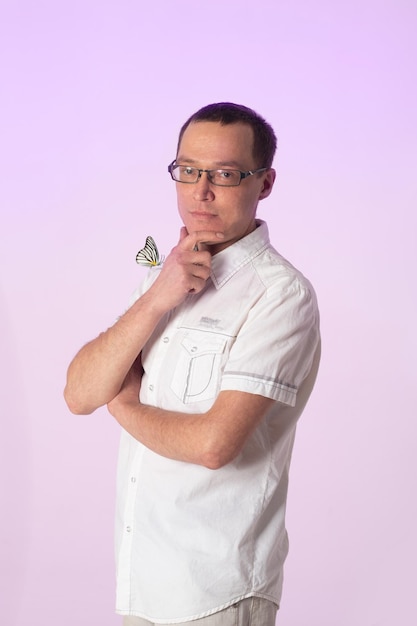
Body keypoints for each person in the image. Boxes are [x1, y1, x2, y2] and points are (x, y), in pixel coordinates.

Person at [64, 102, 321, 626]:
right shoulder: (169, 275)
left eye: (225, 174)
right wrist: (159, 295)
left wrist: (126, 405)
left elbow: (213, 445)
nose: (201, 190)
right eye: (188, 170)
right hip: (142, 584)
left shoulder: (280, 295)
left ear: (265, 182)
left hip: (215, 592)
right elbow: (78, 393)